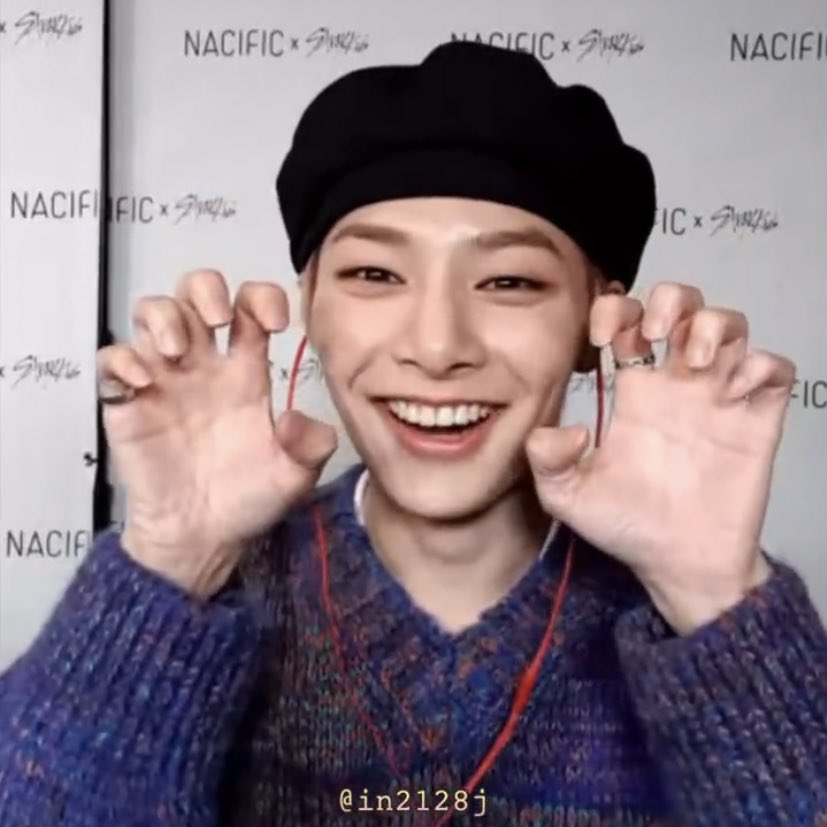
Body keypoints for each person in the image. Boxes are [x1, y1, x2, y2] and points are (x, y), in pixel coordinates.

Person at [0, 40, 825, 827]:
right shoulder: (209, 588)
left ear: (596, 319)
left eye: (509, 281)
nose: (435, 347)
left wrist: (714, 598)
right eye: (374, 274)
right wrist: (171, 562)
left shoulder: (688, 609)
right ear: (310, 301)